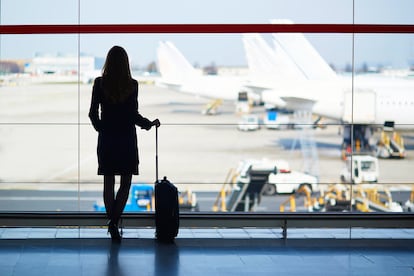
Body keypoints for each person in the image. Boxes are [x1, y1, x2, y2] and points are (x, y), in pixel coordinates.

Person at [89, 46, 160, 242]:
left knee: (108, 182)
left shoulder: (99, 83)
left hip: (108, 140)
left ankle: (112, 222)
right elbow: (133, 114)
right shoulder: (132, 85)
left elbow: (92, 113)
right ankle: (113, 222)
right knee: (125, 183)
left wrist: (102, 129)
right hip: (127, 139)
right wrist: (148, 124)